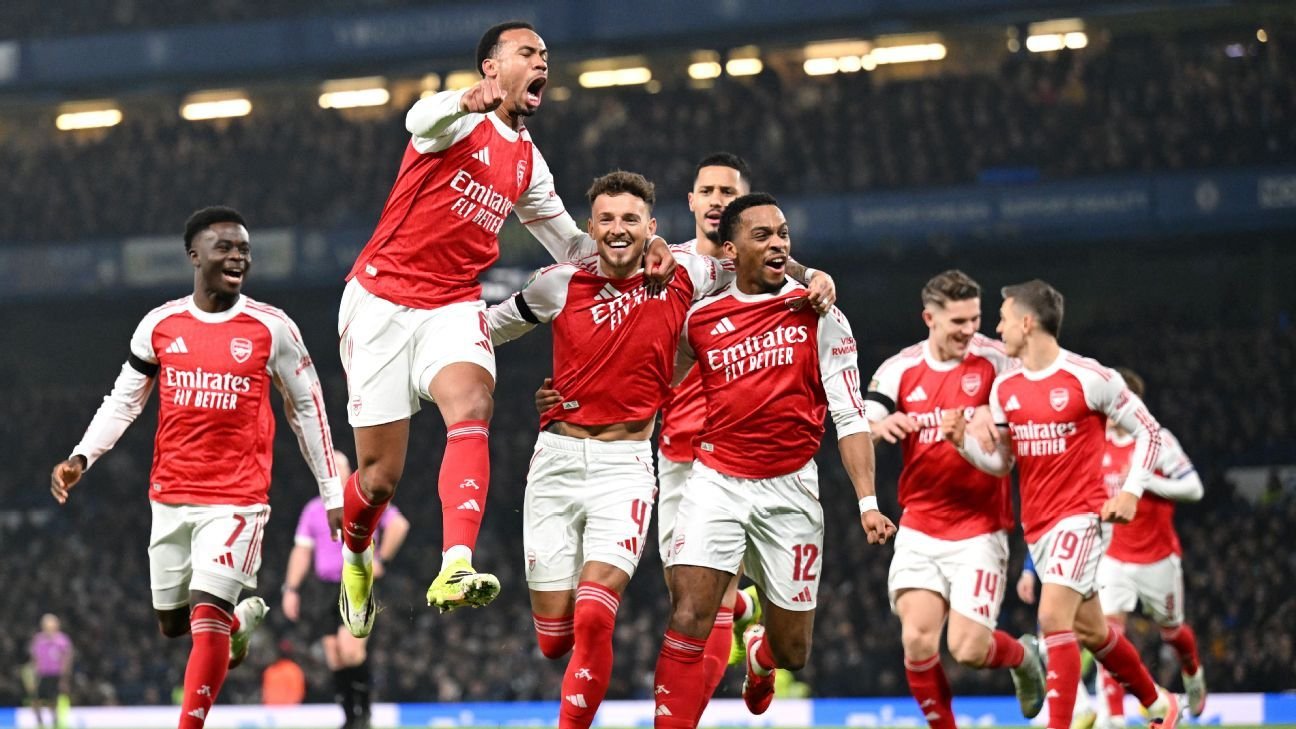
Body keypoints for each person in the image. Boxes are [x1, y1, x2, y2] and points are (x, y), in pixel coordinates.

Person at [336, 19, 678, 632]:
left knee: (473, 405)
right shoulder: (456, 121)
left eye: (545, 54)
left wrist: (645, 245)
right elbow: (418, 120)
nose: (542, 62)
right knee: (379, 479)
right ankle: (356, 556)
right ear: (492, 67)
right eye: (527, 52)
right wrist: (461, 100)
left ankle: (456, 565)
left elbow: (572, 246)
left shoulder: (527, 162)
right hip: (381, 301)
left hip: (453, 304)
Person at [529, 157, 833, 716]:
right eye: (707, 190)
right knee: (690, 605)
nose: (718, 199)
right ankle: (740, 621)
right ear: (691, 203)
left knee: (705, 611)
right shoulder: (668, 264)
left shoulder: (762, 269)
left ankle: (745, 648)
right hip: (676, 447)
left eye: (729, 192)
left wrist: (817, 275)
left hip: (740, 454)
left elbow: (798, 281)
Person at [50, 206, 341, 729]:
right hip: (170, 495)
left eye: (244, 250)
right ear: (194, 255)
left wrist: (332, 493)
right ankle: (238, 626)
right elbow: (124, 401)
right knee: (172, 623)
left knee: (207, 614)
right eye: (224, 247)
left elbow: (307, 408)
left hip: (236, 500)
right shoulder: (160, 325)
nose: (237, 257)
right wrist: (81, 457)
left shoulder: (272, 328)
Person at [651, 193, 896, 726]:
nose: (778, 243)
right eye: (762, 236)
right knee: (688, 613)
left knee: (793, 651)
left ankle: (761, 654)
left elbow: (850, 414)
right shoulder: (700, 319)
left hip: (790, 489)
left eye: (783, 233)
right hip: (715, 481)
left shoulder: (820, 315)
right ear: (731, 250)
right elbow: (655, 384)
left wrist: (868, 503)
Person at [939, 280, 1182, 729]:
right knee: (1092, 630)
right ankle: (1159, 705)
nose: (998, 328)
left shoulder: (1091, 378)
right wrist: (962, 443)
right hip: (1038, 526)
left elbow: (1149, 431)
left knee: (1052, 618)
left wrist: (1131, 490)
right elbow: (1002, 464)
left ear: (1027, 323)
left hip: (1082, 518)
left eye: (1003, 319)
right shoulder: (1005, 388)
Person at [863, 270, 1046, 729]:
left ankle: (1023, 657)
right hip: (921, 524)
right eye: (958, 321)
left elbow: (1005, 461)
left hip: (979, 528)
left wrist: (977, 430)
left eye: (975, 319)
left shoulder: (997, 362)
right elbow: (864, 419)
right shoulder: (900, 367)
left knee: (968, 649)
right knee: (917, 641)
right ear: (930, 318)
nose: (970, 330)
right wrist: (878, 427)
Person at [1093, 369, 1206, 724]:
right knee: (1108, 635)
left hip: (1157, 557)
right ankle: (1113, 718)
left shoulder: (1158, 440)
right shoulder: (1096, 441)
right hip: (1113, 556)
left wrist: (1146, 483)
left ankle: (1192, 671)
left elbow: (1194, 489)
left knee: (1172, 631)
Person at [282, 452, 409, 729]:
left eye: (339, 468)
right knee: (335, 656)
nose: (334, 473)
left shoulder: (363, 500)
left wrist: (382, 560)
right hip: (324, 589)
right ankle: (351, 718)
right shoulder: (313, 509)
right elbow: (302, 551)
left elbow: (398, 525)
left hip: (356, 583)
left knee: (351, 650)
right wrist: (291, 588)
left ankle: (364, 714)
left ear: (349, 471)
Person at [29, 614, 73, 729]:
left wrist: (64, 677)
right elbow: (34, 658)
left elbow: (67, 658)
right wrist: (34, 674)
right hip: (41, 674)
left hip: (56, 674)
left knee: (53, 700)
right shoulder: (38, 639)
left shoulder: (62, 640)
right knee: (36, 700)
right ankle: (40, 722)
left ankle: (55, 721)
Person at [261, 639, 307, 706]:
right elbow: (298, 694)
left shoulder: (270, 670)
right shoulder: (295, 670)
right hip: (286, 709)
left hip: (275, 709)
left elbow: (265, 694)